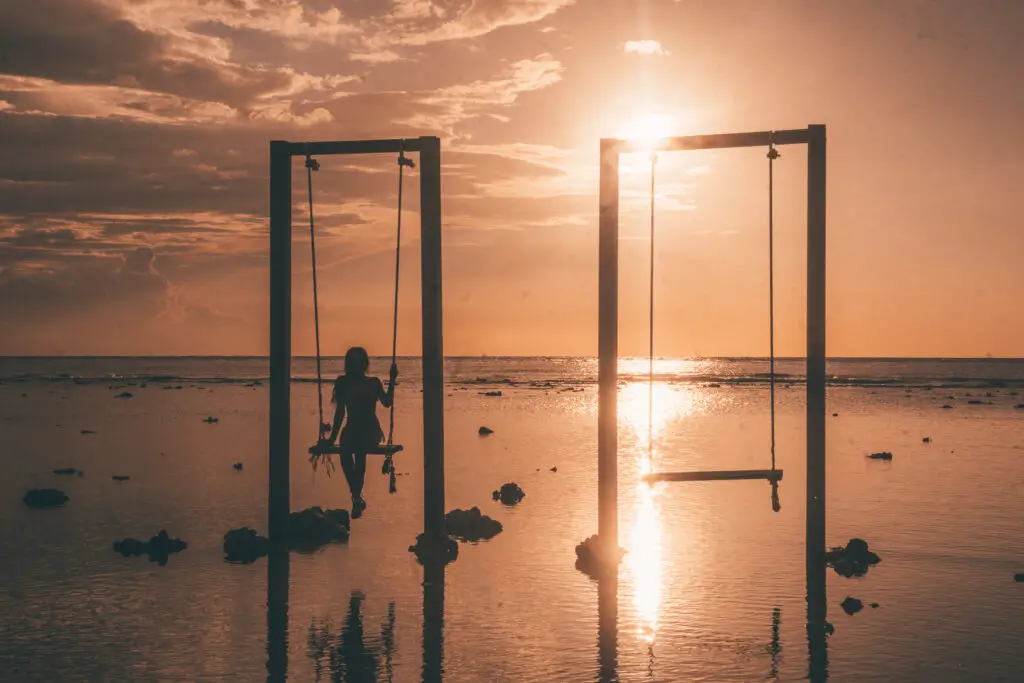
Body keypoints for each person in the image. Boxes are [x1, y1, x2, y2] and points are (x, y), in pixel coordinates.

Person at [322, 347, 397, 518]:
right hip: (352, 429)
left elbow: (387, 402)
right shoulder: (343, 383)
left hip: (370, 430)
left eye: (359, 362)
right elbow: (340, 412)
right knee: (346, 451)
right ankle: (357, 497)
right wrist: (332, 439)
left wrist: (392, 380)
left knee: (359, 449)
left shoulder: (374, 382)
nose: (356, 366)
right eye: (353, 362)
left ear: (364, 364)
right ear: (349, 365)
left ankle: (356, 498)